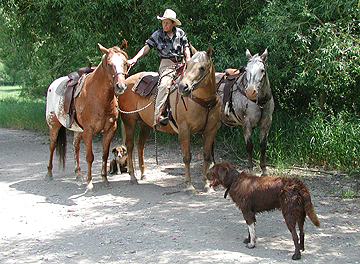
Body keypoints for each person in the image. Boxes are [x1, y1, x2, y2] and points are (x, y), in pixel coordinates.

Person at [127, 8, 191, 127]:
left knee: (193, 81)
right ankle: (158, 115)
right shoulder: (158, 34)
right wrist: (135, 58)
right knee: (164, 84)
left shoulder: (180, 33)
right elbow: (146, 47)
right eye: (163, 22)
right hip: (167, 65)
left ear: (173, 23)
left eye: (167, 22)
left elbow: (186, 47)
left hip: (181, 64)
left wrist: (188, 58)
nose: (164, 25)